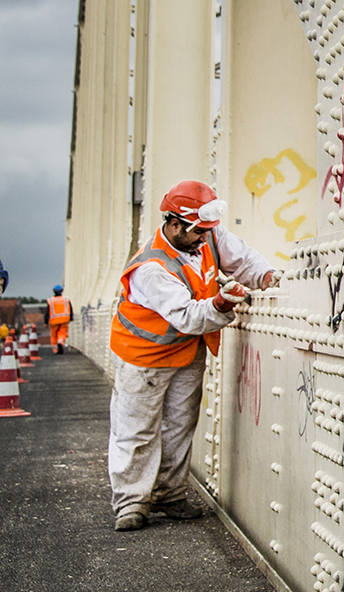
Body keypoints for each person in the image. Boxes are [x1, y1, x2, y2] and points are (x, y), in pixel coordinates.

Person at [108, 180, 277, 530]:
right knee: (136, 431)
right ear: (174, 225)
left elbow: (242, 259)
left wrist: (267, 276)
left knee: (179, 427)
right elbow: (186, 316)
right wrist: (219, 303)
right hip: (143, 358)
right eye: (197, 233)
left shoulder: (207, 233)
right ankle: (132, 503)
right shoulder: (150, 269)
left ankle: (170, 496)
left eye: (206, 232)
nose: (204, 239)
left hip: (186, 351)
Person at [47, 285, 71, 354]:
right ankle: (60, 342)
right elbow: (70, 309)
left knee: (54, 335)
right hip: (64, 320)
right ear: (62, 291)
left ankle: (55, 349)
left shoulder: (51, 301)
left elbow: (47, 312)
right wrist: (71, 318)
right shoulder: (66, 299)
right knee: (62, 333)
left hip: (54, 321)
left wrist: (46, 321)